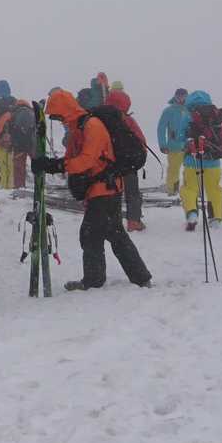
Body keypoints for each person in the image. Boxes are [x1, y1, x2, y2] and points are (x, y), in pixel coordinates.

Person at [32, 88, 151, 291]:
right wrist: (51, 164)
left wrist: (54, 165)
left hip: (105, 189)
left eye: (60, 116)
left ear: (67, 110)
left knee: (91, 234)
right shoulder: (78, 129)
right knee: (114, 234)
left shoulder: (92, 126)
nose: (60, 121)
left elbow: (86, 160)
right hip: (103, 188)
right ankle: (140, 277)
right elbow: (73, 159)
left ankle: (94, 280)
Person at [179, 90, 222, 231]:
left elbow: (181, 138)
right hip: (213, 161)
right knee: (214, 189)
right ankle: (216, 217)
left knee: (190, 188)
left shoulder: (188, 116)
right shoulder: (216, 115)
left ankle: (192, 213)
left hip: (192, 161)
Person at [105, 90, 149, 231]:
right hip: (128, 163)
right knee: (132, 193)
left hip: (108, 163)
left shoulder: (101, 119)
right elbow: (141, 140)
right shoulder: (128, 120)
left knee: (110, 192)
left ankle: (110, 220)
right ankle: (133, 221)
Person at [156, 88, 189, 195]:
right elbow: (161, 128)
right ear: (175, 97)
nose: (181, 98)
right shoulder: (169, 111)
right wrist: (163, 145)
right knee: (173, 170)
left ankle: (189, 191)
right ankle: (172, 191)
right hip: (174, 147)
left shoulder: (190, 110)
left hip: (189, 147)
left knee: (190, 170)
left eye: (183, 96)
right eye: (179, 96)